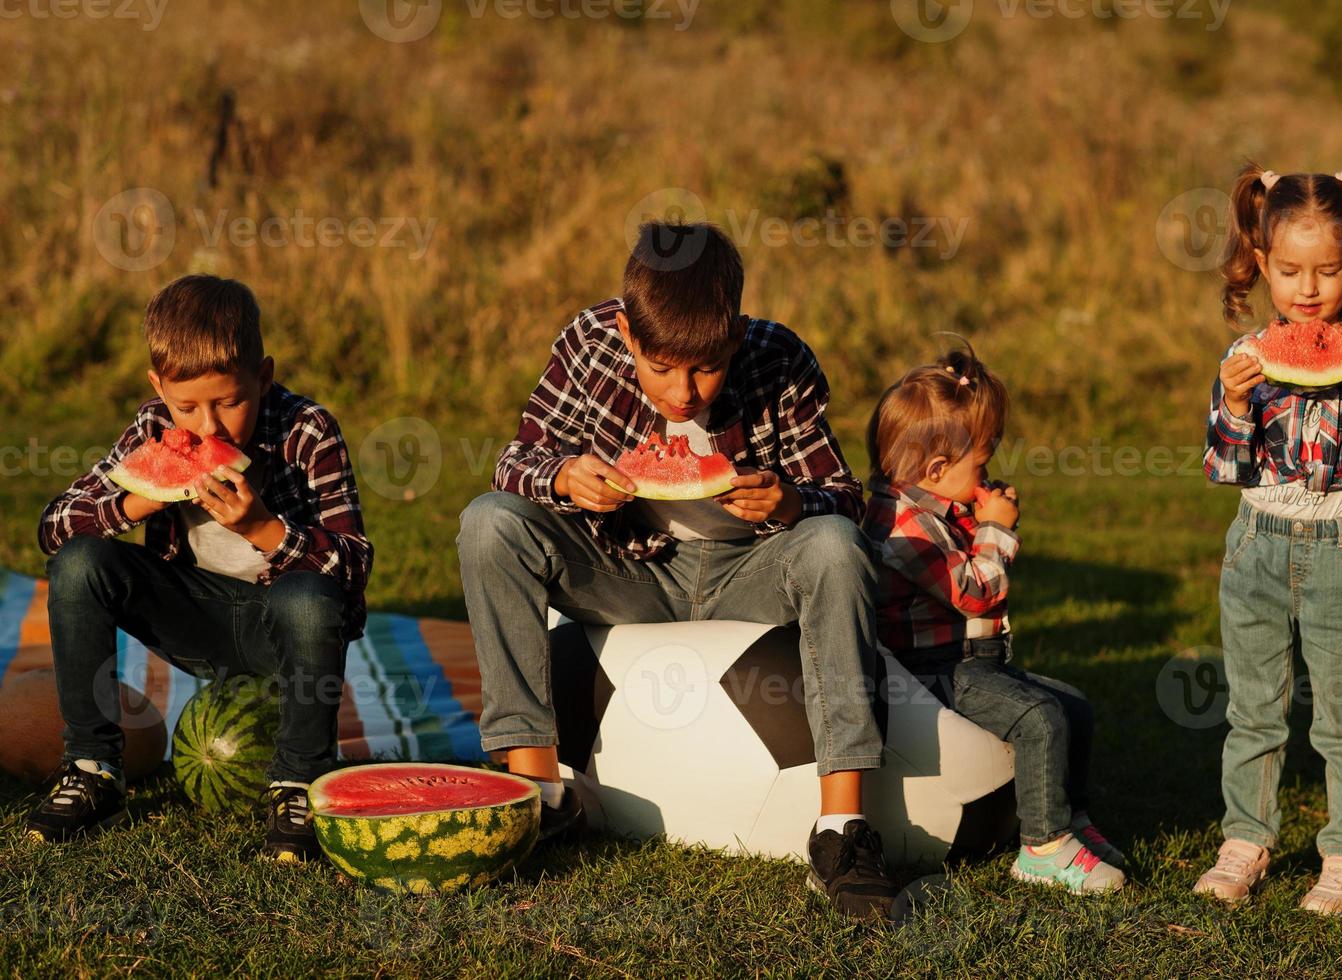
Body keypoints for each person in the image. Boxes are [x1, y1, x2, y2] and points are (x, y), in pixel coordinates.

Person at [457, 222, 897, 920]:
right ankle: (538, 794)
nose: (683, 392)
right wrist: (566, 478)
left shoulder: (779, 358)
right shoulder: (587, 342)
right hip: (627, 574)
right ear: (628, 336)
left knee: (834, 545)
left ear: (736, 337)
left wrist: (791, 501)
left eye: (706, 368)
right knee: (489, 523)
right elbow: (515, 463)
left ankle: (841, 831)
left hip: (748, 573)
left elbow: (843, 497)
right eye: (660, 368)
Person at [29, 274, 373, 863]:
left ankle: (299, 783)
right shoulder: (151, 430)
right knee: (81, 561)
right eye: (186, 408)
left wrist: (264, 530)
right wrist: (139, 501)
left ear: (263, 377)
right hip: (193, 622)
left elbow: (353, 565)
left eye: (230, 402)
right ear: (158, 387)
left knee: (308, 598)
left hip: (286, 632)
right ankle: (93, 766)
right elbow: (53, 526)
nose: (207, 429)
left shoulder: (308, 431)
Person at [1197, 162, 1342, 916]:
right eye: (1289, 270)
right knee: (1253, 709)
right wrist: (1233, 404)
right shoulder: (1245, 357)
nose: (1306, 290)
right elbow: (1224, 465)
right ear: (1260, 262)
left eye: (1327, 271)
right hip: (1255, 543)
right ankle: (1245, 841)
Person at [862, 343, 1125, 894]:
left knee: (1073, 708)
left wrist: (978, 519)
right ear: (937, 468)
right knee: (1039, 719)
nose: (989, 472)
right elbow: (976, 594)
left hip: (972, 661)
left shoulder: (939, 508)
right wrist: (996, 530)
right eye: (981, 462)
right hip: (932, 672)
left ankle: (1072, 822)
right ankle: (1042, 847)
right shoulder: (902, 527)